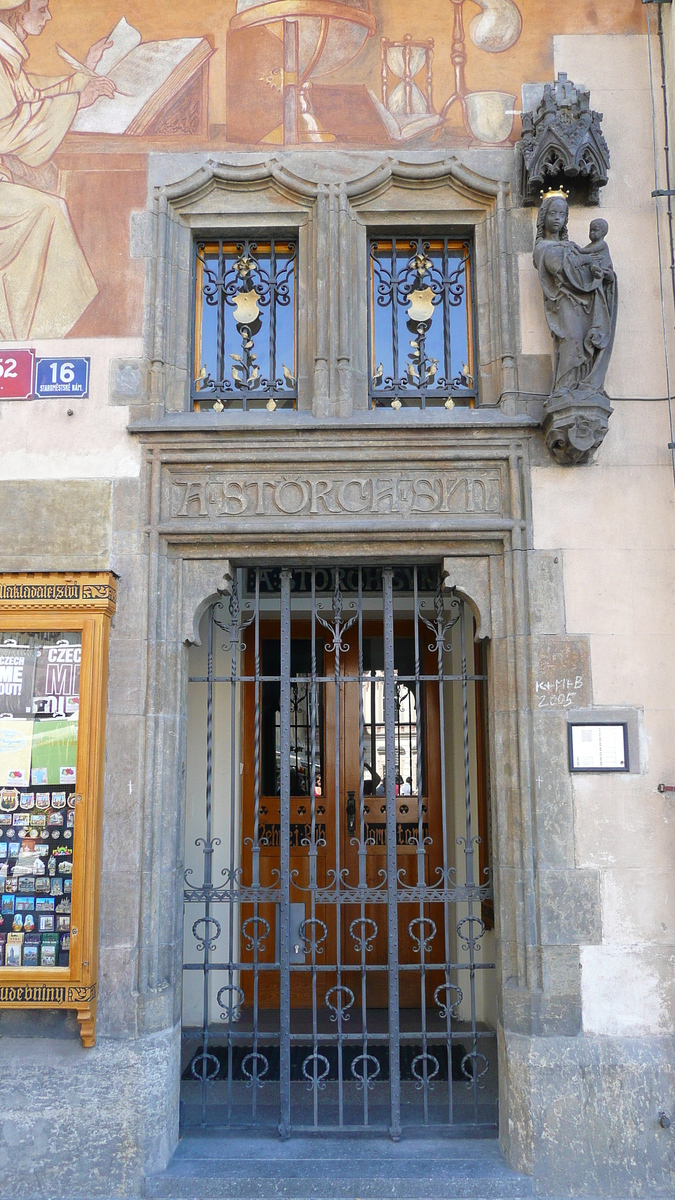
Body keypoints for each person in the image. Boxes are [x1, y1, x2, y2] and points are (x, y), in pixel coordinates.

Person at [0, 0, 115, 339]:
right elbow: (7, 132)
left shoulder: (9, 59)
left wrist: (85, 73)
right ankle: (39, 336)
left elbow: (33, 93)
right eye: (41, 9)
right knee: (49, 209)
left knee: (52, 200)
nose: (48, 16)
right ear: (17, 13)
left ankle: (30, 332)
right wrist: (76, 100)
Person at [532, 194, 617, 399]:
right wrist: (583, 261)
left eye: (562, 215)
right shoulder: (543, 247)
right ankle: (563, 387)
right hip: (563, 301)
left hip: (583, 303)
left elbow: (589, 267)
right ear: (543, 217)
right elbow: (557, 267)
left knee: (583, 339)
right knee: (571, 338)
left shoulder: (572, 247)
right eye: (553, 213)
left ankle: (582, 385)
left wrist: (604, 275)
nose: (557, 219)